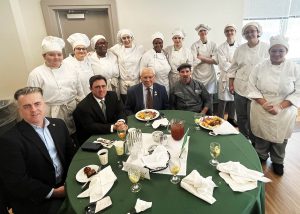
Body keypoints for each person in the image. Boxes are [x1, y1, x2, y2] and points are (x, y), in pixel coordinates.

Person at [0, 87, 75, 214]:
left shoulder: (59, 125)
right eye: (27, 106)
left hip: (66, 183)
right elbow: (18, 182)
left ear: (44, 103)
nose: (34, 110)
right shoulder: (9, 140)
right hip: (37, 198)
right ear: (20, 110)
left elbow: (70, 156)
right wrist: (54, 193)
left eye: (37, 104)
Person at [247, 35, 300, 175]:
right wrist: (264, 103)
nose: (277, 54)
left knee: (280, 138)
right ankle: (261, 155)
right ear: (269, 51)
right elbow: (251, 86)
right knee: (261, 135)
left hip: (284, 109)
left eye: (280, 51)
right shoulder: (259, 66)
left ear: (286, 51)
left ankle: (278, 161)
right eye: (274, 51)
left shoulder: (294, 68)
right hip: (261, 106)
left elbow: (298, 91)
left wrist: (280, 106)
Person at [27, 36, 84, 135]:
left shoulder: (71, 69)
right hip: (51, 113)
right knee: (58, 136)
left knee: (77, 134)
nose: (56, 57)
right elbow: (31, 99)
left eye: (59, 54)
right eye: (51, 55)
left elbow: (80, 91)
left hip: (73, 108)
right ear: (44, 56)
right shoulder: (36, 74)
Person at [227, 22, 269, 140]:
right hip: (240, 87)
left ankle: (254, 141)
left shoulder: (266, 48)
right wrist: (231, 84)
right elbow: (233, 68)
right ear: (244, 35)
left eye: (252, 31)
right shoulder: (240, 49)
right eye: (247, 32)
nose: (250, 34)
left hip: (257, 90)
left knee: (253, 118)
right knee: (241, 116)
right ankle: (244, 138)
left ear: (258, 32)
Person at [73, 75, 127, 144]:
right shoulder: (83, 106)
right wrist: (113, 127)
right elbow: (91, 127)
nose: (101, 90)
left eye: (103, 86)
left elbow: (120, 111)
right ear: (91, 88)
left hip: (112, 134)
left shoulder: (112, 95)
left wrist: (121, 122)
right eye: (97, 87)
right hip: (94, 138)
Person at [110, 29, 145, 104]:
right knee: (126, 105)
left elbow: (147, 57)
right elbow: (106, 51)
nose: (126, 40)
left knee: (137, 104)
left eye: (128, 37)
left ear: (132, 38)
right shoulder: (117, 48)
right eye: (124, 38)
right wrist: (92, 53)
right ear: (121, 39)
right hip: (123, 83)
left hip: (135, 82)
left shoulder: (139, 49)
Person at [191, 24, 218, 114]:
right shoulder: (194, 45)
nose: (202, 32)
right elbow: (194, 61)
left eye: (204, 31)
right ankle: (198, 116)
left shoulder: (213, 44)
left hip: (210, 76)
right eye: (200, 31)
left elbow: (216, 61)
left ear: (207, 32)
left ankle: (210, 117)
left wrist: (201, 57)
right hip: (197, 76)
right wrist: (208, 58)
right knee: (198, 98)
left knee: (209, 98)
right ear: (198, 33)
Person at [217, 24, 239, 127]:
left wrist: (231, 63)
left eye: (232, 30)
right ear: (225, 33)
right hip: (225, 77)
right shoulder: (221, 47)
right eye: (227, 31)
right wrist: (233, 64)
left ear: (235, 32)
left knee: (233, 100)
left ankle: (231, 118)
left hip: (237, 77)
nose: (229, 32)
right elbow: (223, 64)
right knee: (223, 100)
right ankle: (220, 119)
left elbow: (240, 62)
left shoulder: (240, 47)